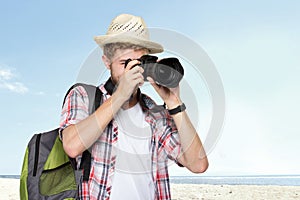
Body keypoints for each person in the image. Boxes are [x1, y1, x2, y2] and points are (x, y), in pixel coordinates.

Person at [59, 13, 208, 200]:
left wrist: (174, 103)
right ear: (107, 62)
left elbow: (198, 164)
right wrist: (120, 94)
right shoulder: (83, 96)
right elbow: (72, 146)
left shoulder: (155, 113)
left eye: (138, 64)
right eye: (125, 63)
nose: (133, 71)